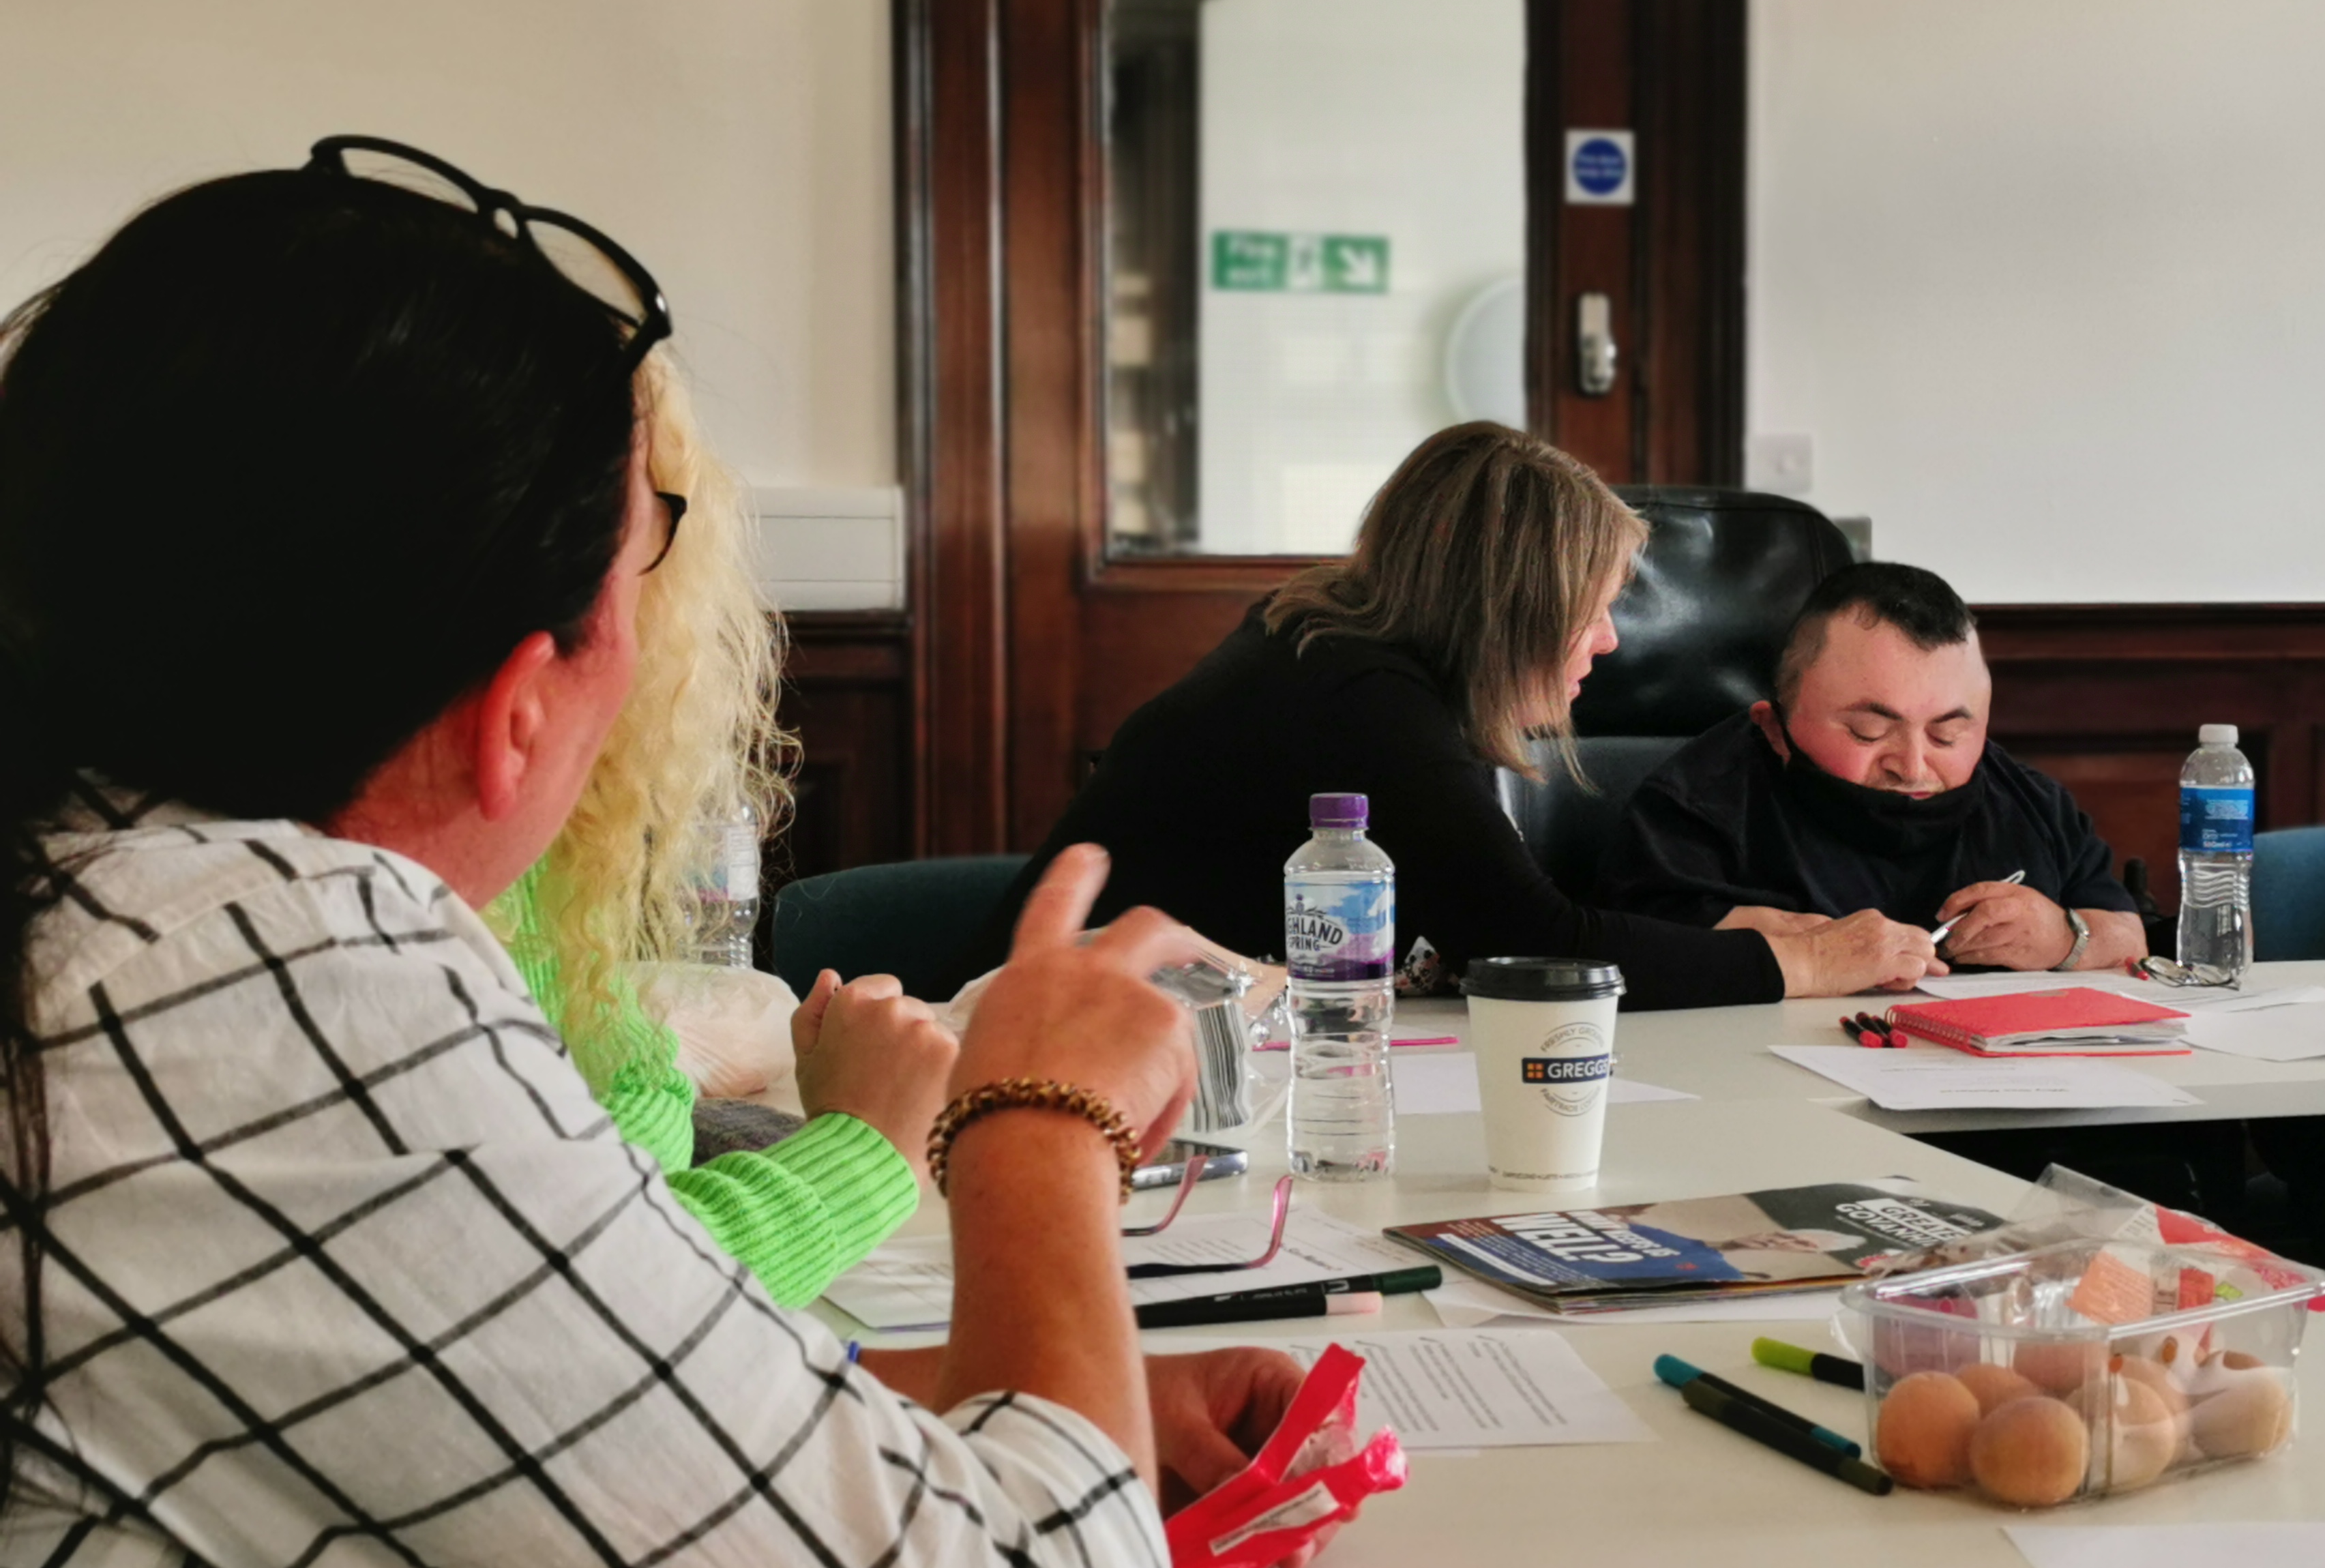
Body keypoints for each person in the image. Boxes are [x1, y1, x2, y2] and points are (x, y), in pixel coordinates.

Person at [0, 141, 1316, 1568]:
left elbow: (473, 1396)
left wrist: (981, 1410)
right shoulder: (264, 974)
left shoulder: (107, 907)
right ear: (517, 706)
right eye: (647, 563)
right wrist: (1041, 1119)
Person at [973, 423, 1942, 1005]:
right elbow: (1537, 948)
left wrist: (1743, 943)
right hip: (1065, 1043)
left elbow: (1478, 914)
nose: (1609, 643)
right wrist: (1803, 965)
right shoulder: (1360, 704)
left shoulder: (1321, 639)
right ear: (1514, 610)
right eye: (1593, 611)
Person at [488, 349, 933, 1307]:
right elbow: (592, 1305)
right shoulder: (366, 925)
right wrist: (871, 1143)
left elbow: (627, 1118)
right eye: (653, 541)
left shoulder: (513, 865)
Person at [1596, 561, 2146, 975]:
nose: (1912, 766)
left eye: (1948, 734)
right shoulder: (1692, 812)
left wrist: (2066, 938)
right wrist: (1805, 956)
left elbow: (2132, 935)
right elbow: (1632, 960)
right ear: (1773, 727)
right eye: (1868, 731)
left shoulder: (2029, 803)